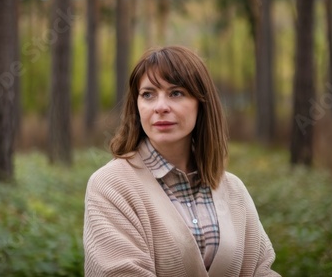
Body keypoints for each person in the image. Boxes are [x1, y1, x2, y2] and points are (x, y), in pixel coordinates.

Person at [83, 45, 280, 276]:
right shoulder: (110, 186)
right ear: (137, 106)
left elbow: (261, 270)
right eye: (148, 94)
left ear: (201, 103)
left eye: (176, 93)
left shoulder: (233, 189)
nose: (160, 107)